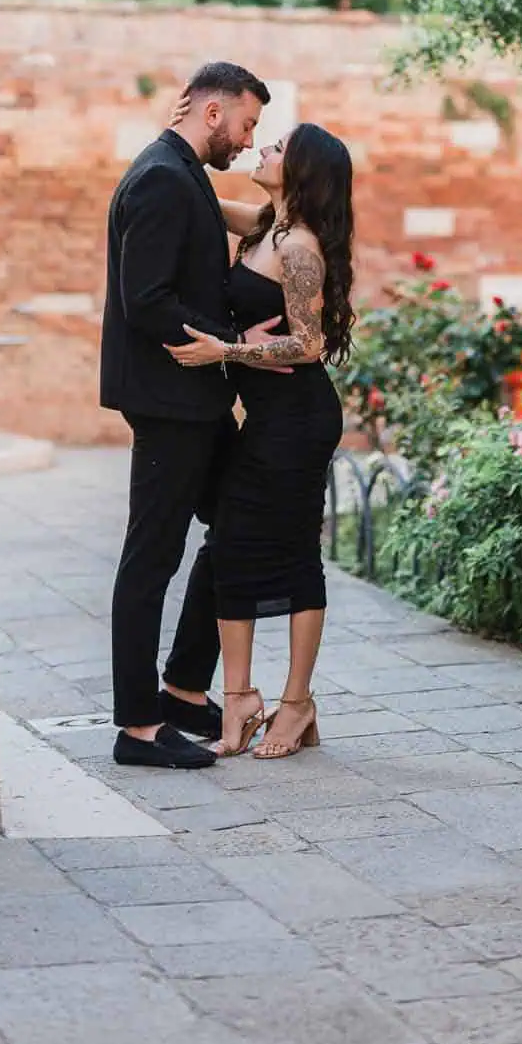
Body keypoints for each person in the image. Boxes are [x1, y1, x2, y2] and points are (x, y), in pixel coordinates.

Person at [102, 61, 285, 770]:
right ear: (213, 113)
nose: (248, 141)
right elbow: (145, 300)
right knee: (150, 558)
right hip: (168, 401)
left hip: (197, 399)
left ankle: (182, 689)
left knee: (240, 523)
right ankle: (137, 728)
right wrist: (233, 343)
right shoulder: (159, 177)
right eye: (246, 124)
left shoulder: (184, 175)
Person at [166, 121, 354, 760]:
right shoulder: (266, 225)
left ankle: (296, 705)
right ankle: (241, 698)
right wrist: (177, 148)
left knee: (291, 551)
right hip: (269, 418)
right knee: (233, 547)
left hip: (299, 421)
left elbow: (309, 345)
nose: (262, 149)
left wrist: (227, 350)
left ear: (300, 170)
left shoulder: (298, 247)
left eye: (276, 148)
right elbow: (197, 193)